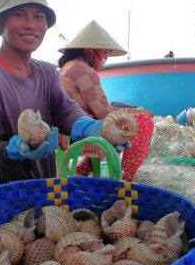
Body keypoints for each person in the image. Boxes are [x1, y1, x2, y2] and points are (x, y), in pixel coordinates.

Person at [0, 0, 110, 189]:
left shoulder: (47, 72)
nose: (31, 24)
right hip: (6, 197)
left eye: (38, 16)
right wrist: (13, 151)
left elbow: (64, 110)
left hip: (47, 189)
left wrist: (87, 126)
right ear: (1, 23)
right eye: (19, 14)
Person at [57, 20, 154, 181]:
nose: (105, 59)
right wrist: (136, 112)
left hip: (68, 129)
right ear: (90, 51)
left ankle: (82, 169)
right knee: (144, 121)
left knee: (117, 113)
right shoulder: (83, 70)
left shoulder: (68, 66)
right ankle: (125, 178)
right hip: (78, 134)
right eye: (104, 54)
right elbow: (104, 113)